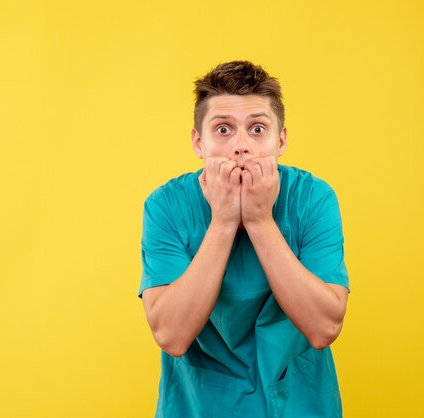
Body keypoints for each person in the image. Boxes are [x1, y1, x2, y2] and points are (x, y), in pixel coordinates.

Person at [138, 60, 351, 417]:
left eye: (257, 129)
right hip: (201, 404)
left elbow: (324, 327)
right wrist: (222, 221)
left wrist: (258, 219)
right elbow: (171, 335)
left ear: (281, 140)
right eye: (223, 130)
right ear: (198, 142)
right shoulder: (165, 207)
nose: (241, 146)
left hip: (299, 402)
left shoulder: (313, 198)